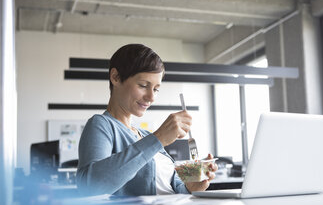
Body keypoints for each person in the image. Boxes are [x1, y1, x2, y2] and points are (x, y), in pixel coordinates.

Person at [77, 44, 218, 196]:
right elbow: (91, 187)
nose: (151, 97)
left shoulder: (145, 135)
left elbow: (168, 189)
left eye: (156, 89)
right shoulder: (102, 125)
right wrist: (158, 138)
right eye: (143, 85)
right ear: (115, 77)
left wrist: (190, 187)